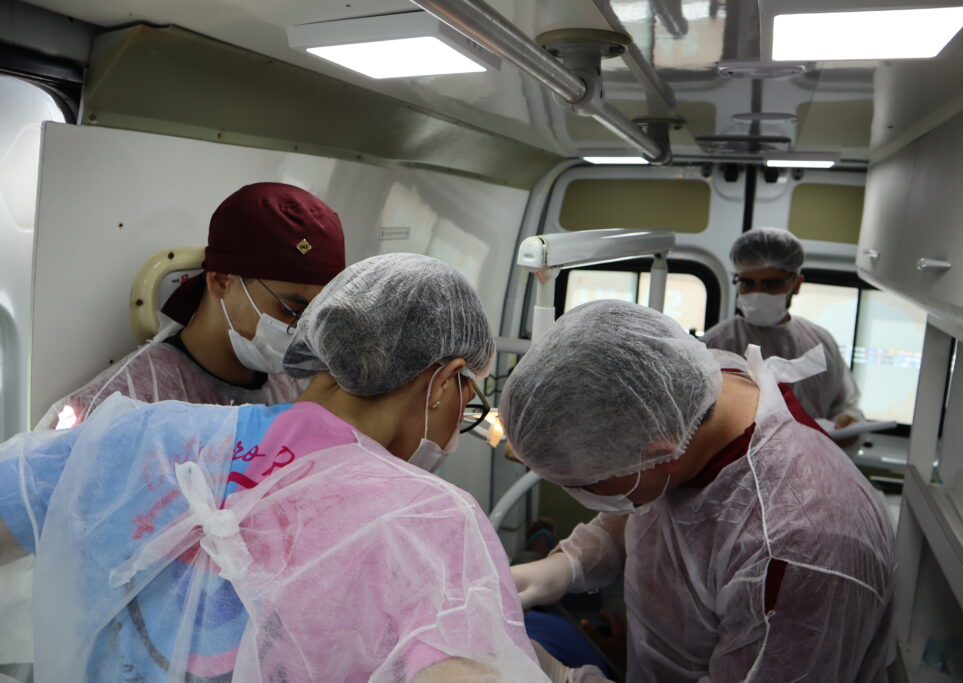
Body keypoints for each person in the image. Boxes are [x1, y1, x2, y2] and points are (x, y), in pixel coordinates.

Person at [0, 253, 606, 682]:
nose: (460, 422)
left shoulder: (140, 436)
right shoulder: (429, 521)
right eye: (469, 400)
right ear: (444, 381)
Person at [501, 300, 896, 682]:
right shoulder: (692, 393)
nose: (581, 494)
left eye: (583, 485)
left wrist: (565, 679)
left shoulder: (795, 547)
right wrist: (566, 565)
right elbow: (651, 510)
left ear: (659, 453)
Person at [36, 181, 347, 430]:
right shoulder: (126, 402)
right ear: (221, 281)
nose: (304, 334)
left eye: (317, 315)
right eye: (293, 312)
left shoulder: (303, 385)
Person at [701, 227, 863, 427]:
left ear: (797, 284)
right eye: (747, 283)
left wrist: (848, 423)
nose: (757, 293)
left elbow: (846, 407)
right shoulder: (713, 344)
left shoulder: (820, 343)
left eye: (771, 284)